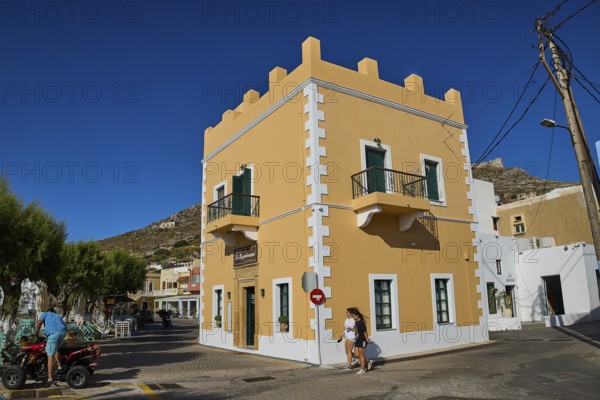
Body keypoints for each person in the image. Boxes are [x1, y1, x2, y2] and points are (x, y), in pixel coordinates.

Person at [34, 306, 67, 387]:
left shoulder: (45, 314)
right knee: (55, 349)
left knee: (50, 356)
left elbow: (39, 322)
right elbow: (66, 328)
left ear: (48, 311)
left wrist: (36, 333)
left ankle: (50, 379)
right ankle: (60, 367)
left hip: (53, 334)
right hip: (63, 334)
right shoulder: (57, 316)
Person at [348, 308, 374, 375]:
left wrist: (367, 339)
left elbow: (365, 332)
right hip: (357, 339)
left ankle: (363, 369)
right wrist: (351, 329)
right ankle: (368, 361)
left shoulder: (362, 322)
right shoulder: (356, 322)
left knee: (361, 355)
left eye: (353, 316)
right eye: (352, 316)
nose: (353, 318)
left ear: (357, 315)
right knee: (356, 355)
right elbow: (357, 330)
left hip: (362, 340)